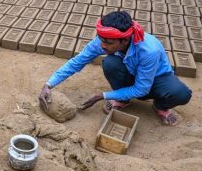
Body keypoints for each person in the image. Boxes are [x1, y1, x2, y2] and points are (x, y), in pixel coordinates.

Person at [39, 11, 192, 126]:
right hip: (132, 73)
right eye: (101, 40)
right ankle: (123, 99)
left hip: (157, 78)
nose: (102, 45)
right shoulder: (105, 40)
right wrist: (49, 84)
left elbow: (142, 89)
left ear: (125, 40)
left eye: (108, 42)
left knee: (181, 93)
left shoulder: (148, 51)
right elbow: (77, 61)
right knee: (110, 63)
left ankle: (160, 105)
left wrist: (102, 96)